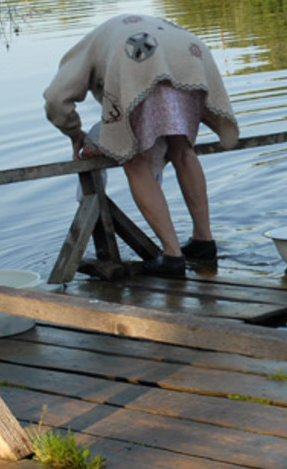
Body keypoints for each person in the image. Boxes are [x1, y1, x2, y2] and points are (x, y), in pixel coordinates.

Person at [44, 14, 239, 276]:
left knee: (136, 161)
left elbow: (56, 99)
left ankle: (172, 255)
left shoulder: (82, 53)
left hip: (142, 61)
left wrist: (74, 133)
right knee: (182, 150)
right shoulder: (112, 32)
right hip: (191, 55)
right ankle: (203, 241)